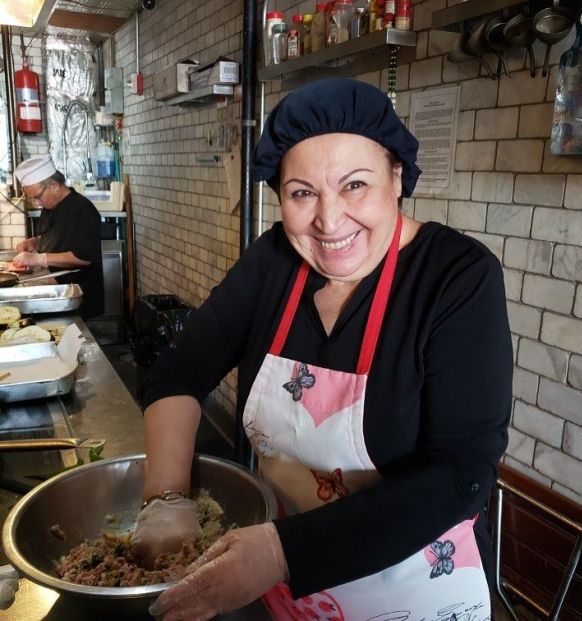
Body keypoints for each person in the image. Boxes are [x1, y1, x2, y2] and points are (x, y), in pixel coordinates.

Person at [135, 77, 513, 620]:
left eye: (355, 185)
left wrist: (280, 552)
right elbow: (180, 371)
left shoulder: (456, 276)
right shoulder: (274, 262)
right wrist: (166, 500)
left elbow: (460, 473)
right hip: (282, 593)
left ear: (397, 177)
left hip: (414, 593)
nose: (329, 221)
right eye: (302, 193)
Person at [14, 154, 104, 319]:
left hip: (77, 296)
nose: (36, 204)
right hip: (55, 283)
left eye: (37, 197)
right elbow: (55, 235)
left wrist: (39, 259)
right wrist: (34, 242)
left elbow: (83, 257)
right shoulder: (50, 206)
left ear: (54, 185)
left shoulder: (83, 210)